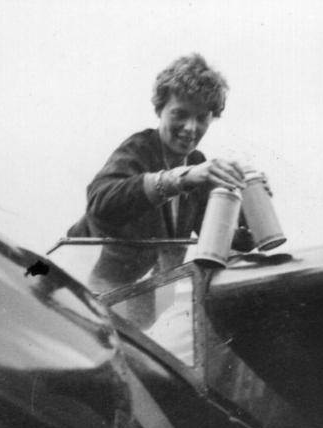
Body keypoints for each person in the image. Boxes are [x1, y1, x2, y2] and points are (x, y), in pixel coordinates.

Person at [67, 53, 257, 326]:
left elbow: (216, 237)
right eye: (180, 114)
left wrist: (247, 207)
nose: (191, 128)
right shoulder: (139, 149)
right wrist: (180, 178)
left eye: (202, 117)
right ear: (160, 110)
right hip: (88, 300)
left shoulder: (196, 164)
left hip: (142, 307)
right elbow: (100, 200)